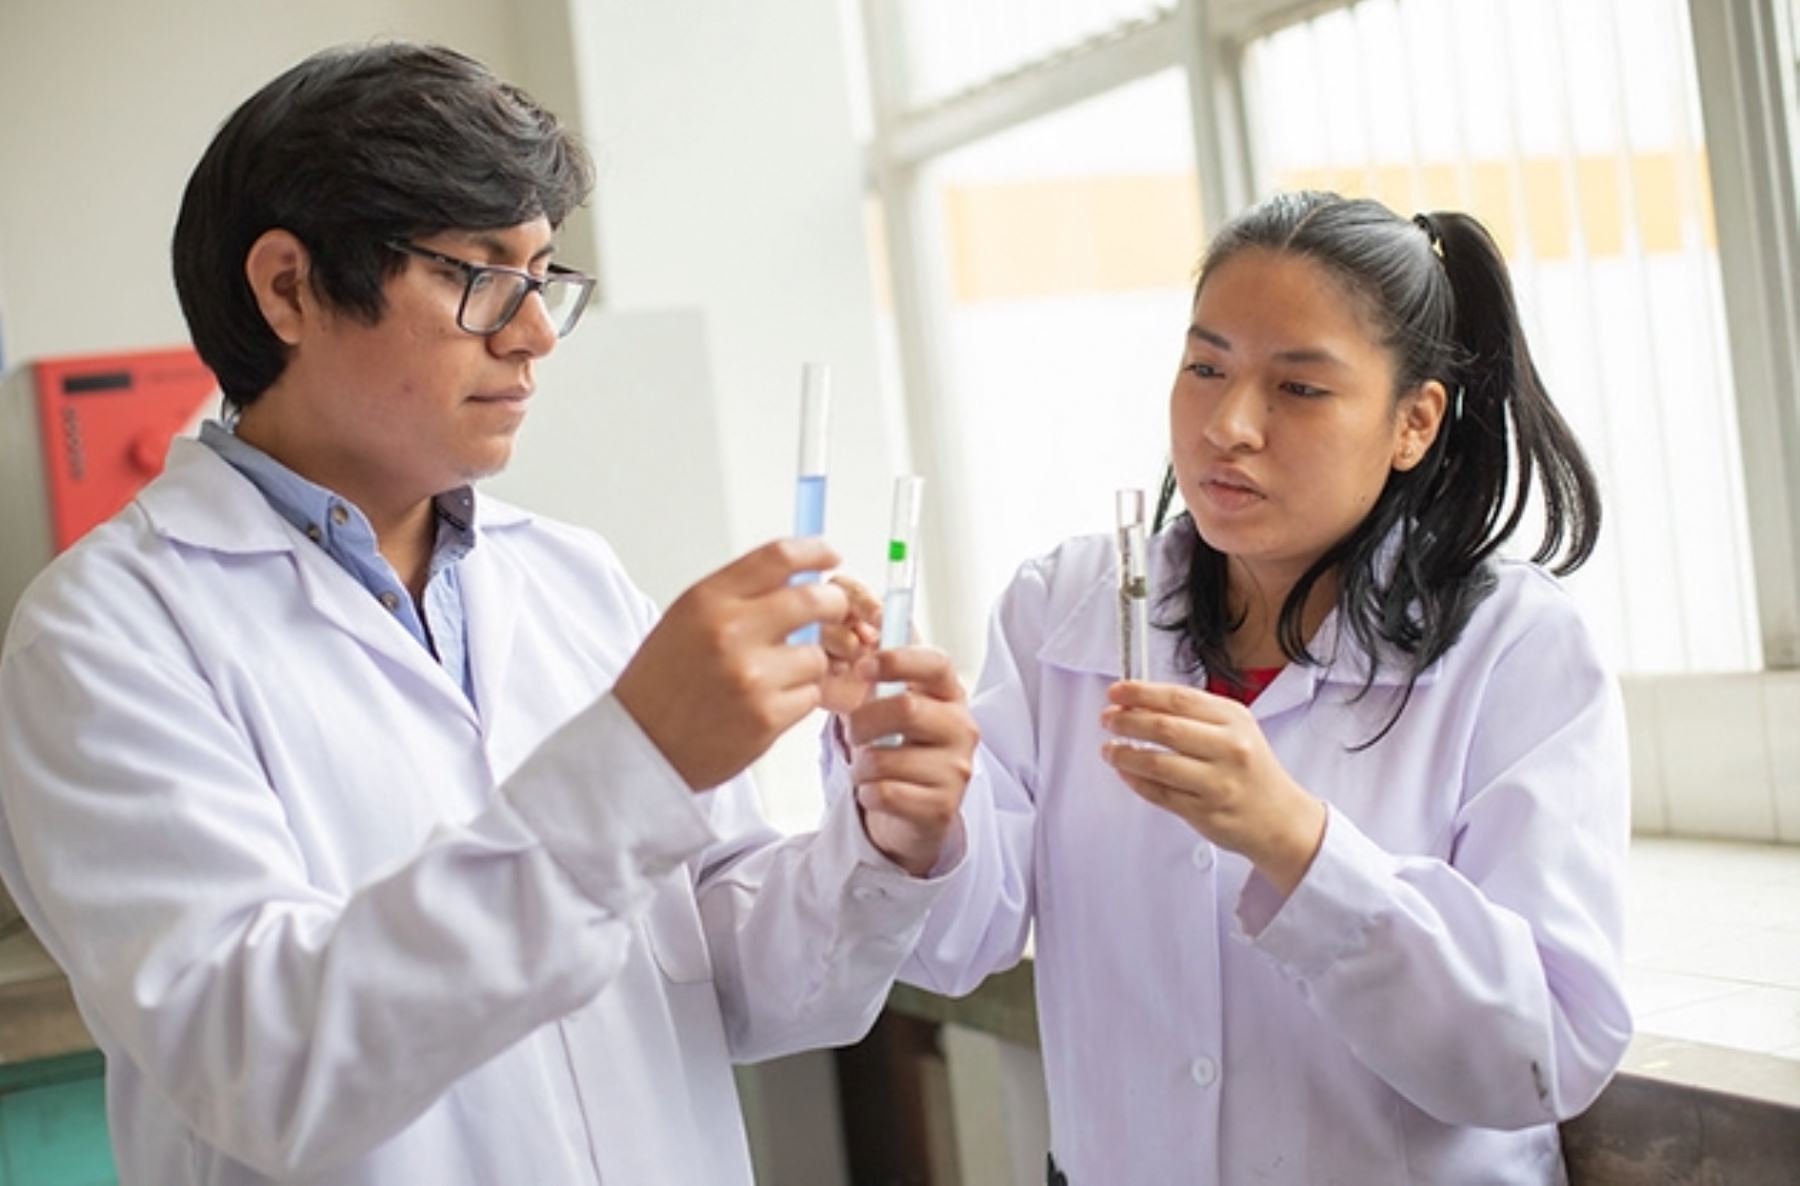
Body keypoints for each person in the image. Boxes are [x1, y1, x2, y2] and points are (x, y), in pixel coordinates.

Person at [0, 42, 978, 1186]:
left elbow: (727, 981)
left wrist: (877, 844)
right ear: (288, 287)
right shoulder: (104, 637)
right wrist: (639, 757)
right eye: (481, 275)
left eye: (544, 276)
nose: (535, 332)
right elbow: (269, 1065)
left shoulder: (570, 576)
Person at [832, 191, 1633, 1183]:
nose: (1229, 424)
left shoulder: (1516, 648)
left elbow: (1546, 1051)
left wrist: (1294, 840)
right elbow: (960, 945)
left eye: (1298, 388)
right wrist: (912, 816)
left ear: (1414, 422)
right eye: (1205, 368)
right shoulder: (1066, 611)